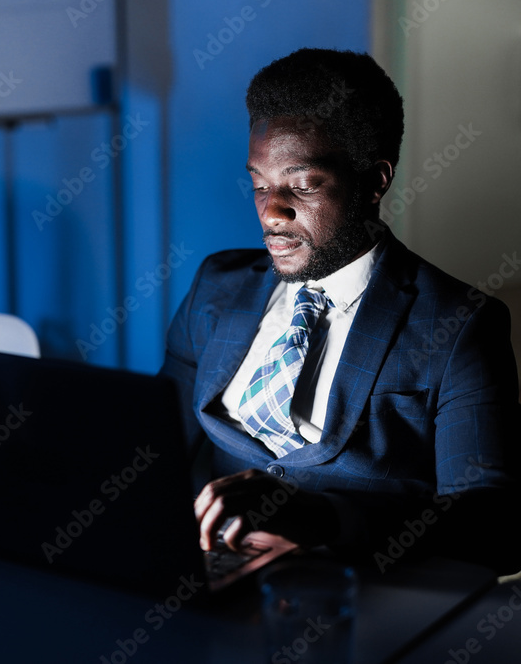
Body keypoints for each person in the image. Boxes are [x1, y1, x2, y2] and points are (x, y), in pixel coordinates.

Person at [161, 48, 520, 574]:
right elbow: (158, 446)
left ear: (375, 181)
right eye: (260, 183)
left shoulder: (459, 324)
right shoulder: (218, 285)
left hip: (362, 598)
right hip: (213, 579)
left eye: (302, 185)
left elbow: (496, 527)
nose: (271, 210)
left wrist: (326, 519)